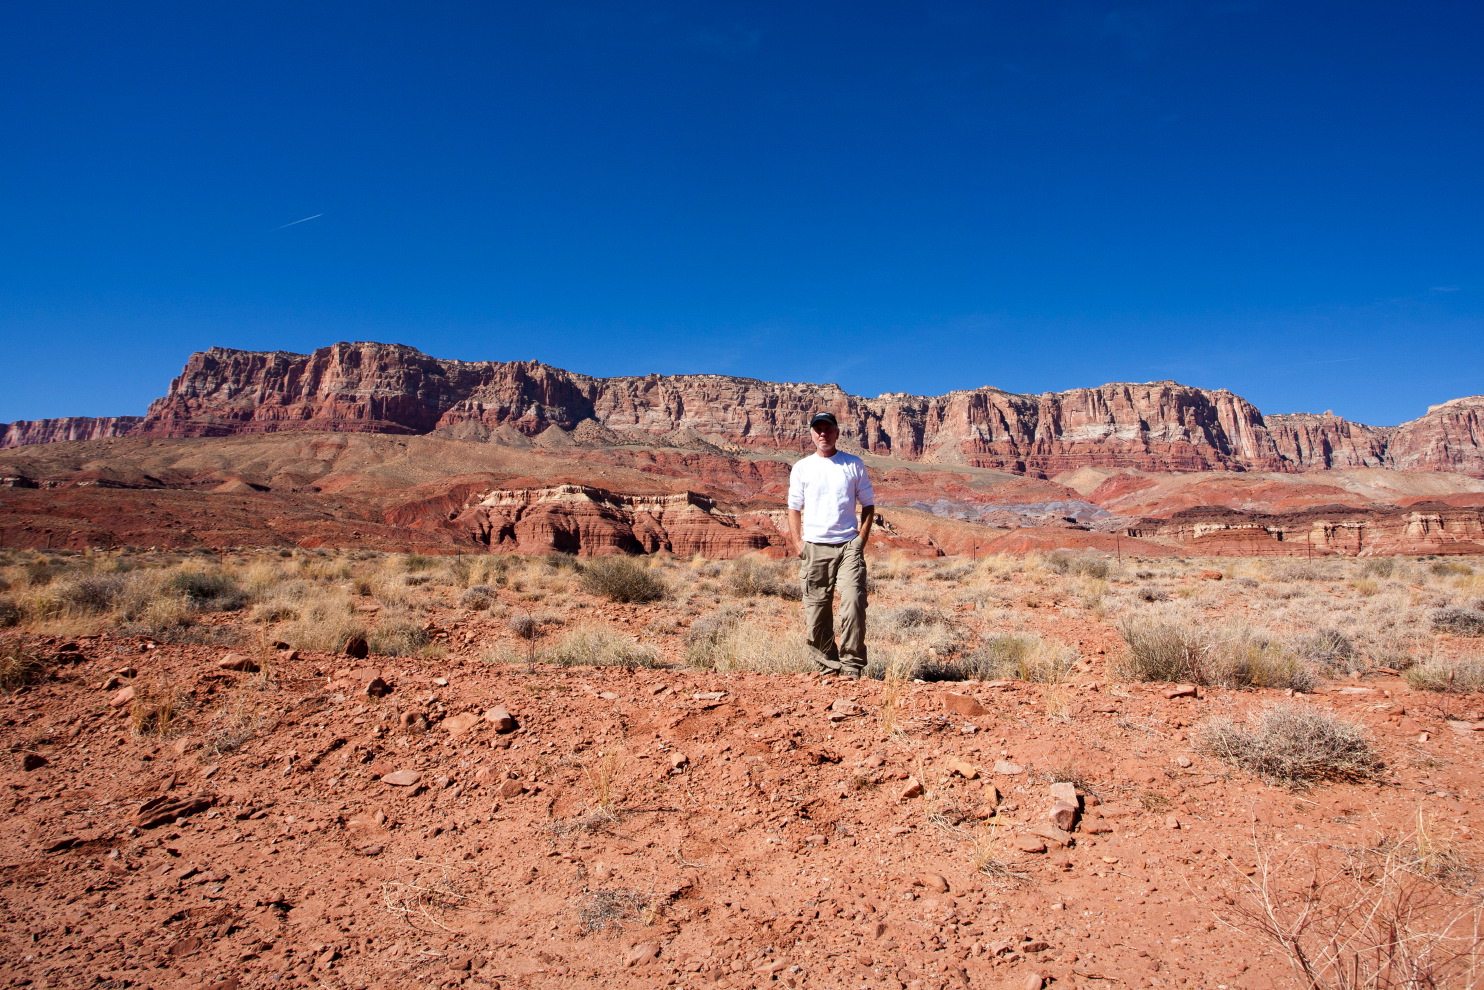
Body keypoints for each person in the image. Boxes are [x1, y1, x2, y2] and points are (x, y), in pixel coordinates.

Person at [787, 411, 875, 677]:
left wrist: (861, 540)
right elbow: (793, 507)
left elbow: (868, 504)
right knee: (816, 609)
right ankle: (827, 664)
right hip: (814, 546)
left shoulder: (853, 464)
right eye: (818, 429)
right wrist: (798, 542)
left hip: (849, 544)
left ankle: (851, 666)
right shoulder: (802, 467)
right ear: (812, 434)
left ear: (837, 432)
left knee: (853, 601)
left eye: (828, 429)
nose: (823, 433)